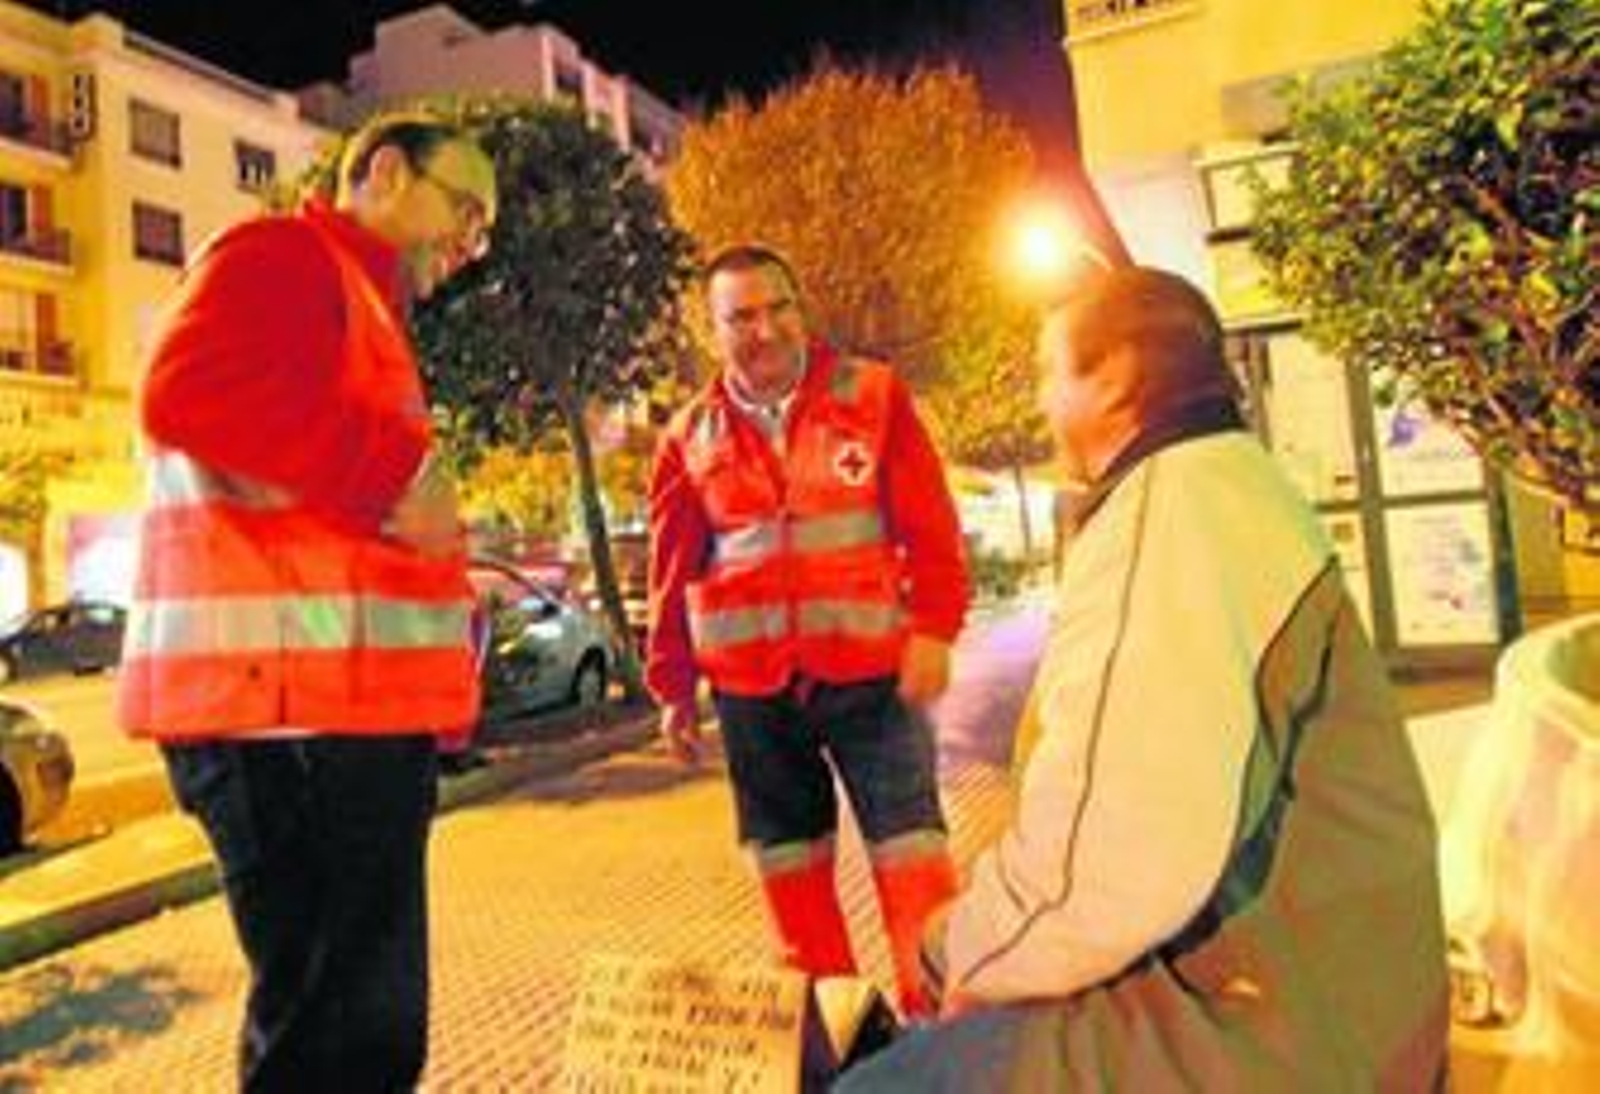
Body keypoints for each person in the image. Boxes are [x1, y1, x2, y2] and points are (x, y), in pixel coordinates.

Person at [839, 267, 1449, 1089]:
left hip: (1283, 1027)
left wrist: (955, 949)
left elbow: (1104, 860)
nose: (1041, 402)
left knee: (877, 1083)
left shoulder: (1168, 517)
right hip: (1334, 983)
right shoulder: (1229, 484)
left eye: (1051, 373)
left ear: (1116, 377)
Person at [116, 111, 497, 1090]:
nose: (471, 243)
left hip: (317, 719)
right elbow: (185, 391)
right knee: (344, 1037)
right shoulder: (286, 255)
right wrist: (392, 476)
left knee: (344, 1030)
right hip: (286, 722)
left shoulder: (360, 306)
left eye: (484, 229)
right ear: (381, 172)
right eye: (463, 207)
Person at [645, 244, 970, 1019]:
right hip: (755, 695)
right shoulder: (686, 437)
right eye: (741, 316)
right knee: (791, 883)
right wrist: (673, 689)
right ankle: (842, 1042)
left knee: (915, 870)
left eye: (778, 307)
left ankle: (936, 1045)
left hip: (875, 678)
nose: (765, 329)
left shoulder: (874, 395)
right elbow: (670, 571)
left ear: (801, 307)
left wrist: (934, 628)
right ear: (710, 330)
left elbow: (933, 528)